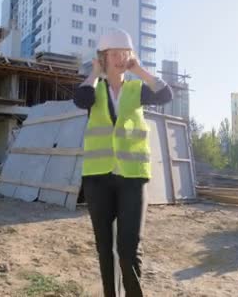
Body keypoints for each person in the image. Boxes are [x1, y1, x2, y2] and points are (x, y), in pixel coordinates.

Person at [73, 28, 173, 297]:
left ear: (130, 56)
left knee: (129, 251)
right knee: (105, 248)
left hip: (132, 178)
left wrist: (139, 70)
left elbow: (166, 95)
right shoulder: (94, 90)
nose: (118, 58)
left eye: (123, 53)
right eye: (112, 54)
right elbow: (79, 99)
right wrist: (95, 73)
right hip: (97, 178)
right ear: (103, 58)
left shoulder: (137, 89)